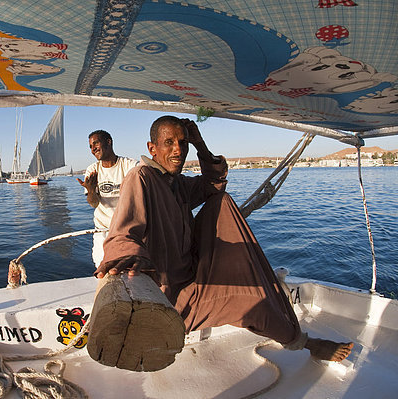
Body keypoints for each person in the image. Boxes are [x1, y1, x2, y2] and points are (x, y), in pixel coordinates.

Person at [96, 115, 353, 362]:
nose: (178, 150)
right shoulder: (141, 178)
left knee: (222, 201)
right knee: (257, 300)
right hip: (175, 297)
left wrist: (200, 143)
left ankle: (247, 283)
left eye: (182, 143)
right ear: (152, 148)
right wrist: (127, 256)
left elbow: (214, 183)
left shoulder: (176, 183)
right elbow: (124, 230)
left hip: (195, 272)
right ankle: (305, 344)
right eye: (169, 143)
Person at [77, 130, 138, 266]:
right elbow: (93, 204)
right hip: (103, 230)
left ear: (109, 142)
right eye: (90, 147)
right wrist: (91, 190)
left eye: (96, 143)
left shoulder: (130, 165)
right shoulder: (92, 170)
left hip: (128, 231)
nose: (93, 149)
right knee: (101, 267)